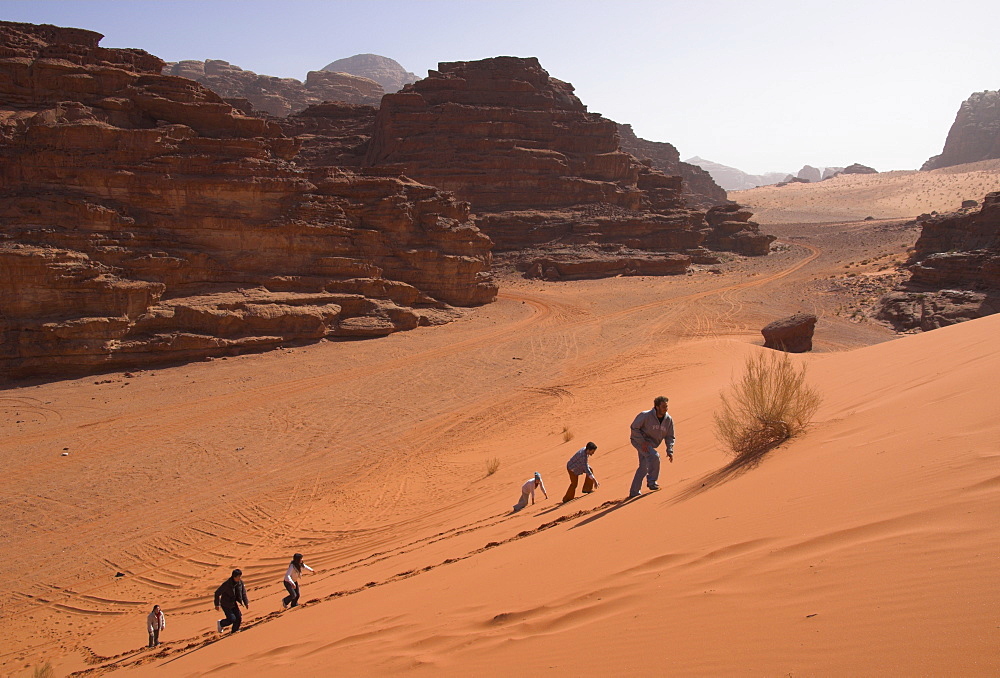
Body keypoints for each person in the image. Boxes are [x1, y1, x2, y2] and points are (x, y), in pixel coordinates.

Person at [629, 396, 675, 498]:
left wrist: (669, 450)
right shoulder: (645, 415)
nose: (666, 409)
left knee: (644, 467)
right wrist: (642, 442)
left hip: (650, 444)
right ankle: (652, 483)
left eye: (666, 406)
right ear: (657, 407)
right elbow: (634, 427)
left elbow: (669, 436)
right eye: (663, 406)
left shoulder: (668, 420)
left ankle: (634, 492)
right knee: (654, 456)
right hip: (638, 441)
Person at [214, 568, 249, 634]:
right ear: (234, 577)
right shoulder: (226, 584)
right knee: (232, 619)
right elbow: (217, 593)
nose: (239, 578)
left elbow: (243, 593)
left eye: (240, 576)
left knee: (238, 618)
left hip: (233, 603)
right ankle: (221, 623)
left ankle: (234, 631)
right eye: (238, 577)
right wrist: (217, 604)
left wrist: (246, 602)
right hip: (226, 604)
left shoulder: (240, 583)